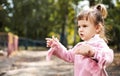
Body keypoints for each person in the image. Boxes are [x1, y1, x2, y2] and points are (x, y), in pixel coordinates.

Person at [46, 4, 114, 76]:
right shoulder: (80, 45)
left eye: (84, 26)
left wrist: (93, 53)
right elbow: (68, 56)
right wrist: (57, 46)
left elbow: (108, 57)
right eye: (79, 26)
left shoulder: (99, 43)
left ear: (97, 28)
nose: (80, 30)